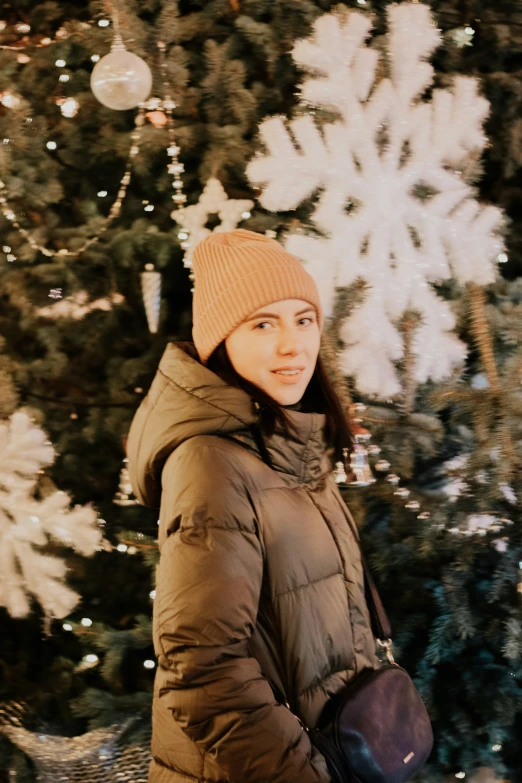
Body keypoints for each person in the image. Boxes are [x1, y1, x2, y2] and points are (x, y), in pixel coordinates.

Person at [126, 229, 380, 783]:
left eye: (303, 319)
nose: (293, 345)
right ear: (221, 341)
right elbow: (201, 672)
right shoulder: (211, 463)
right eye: (263, 324)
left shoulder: (296, 446)